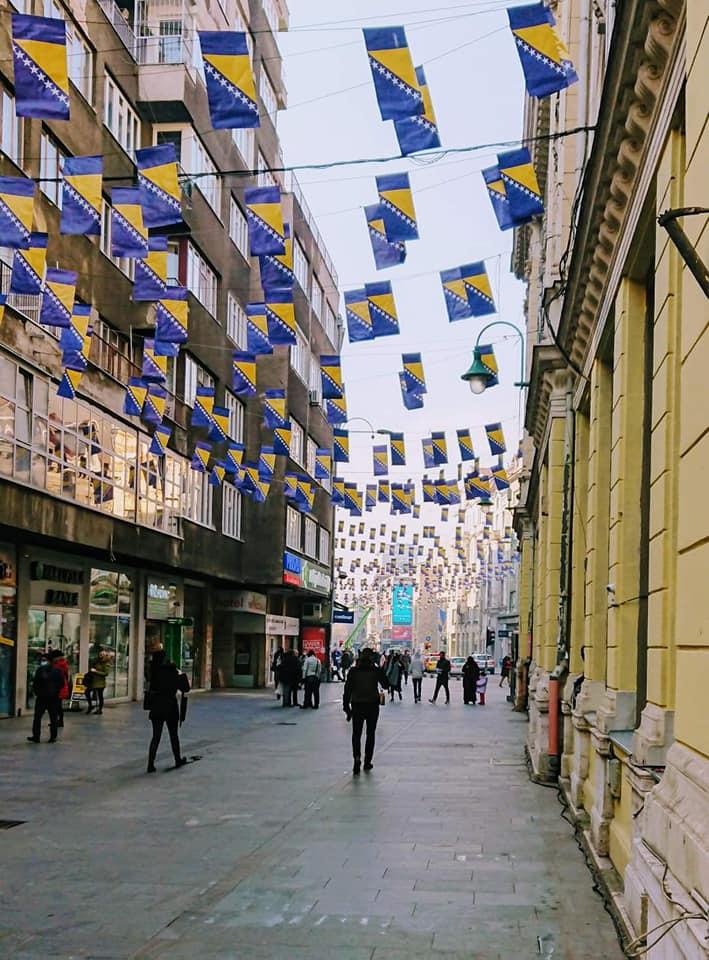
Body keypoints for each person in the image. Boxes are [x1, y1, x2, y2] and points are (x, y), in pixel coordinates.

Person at [343, 648, 389, 775]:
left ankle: (356, 758)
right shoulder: (375, 670)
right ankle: (367, 761)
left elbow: (347, 690)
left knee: (356, 734)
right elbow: (385, 685)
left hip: (357, 704)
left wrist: (346, 707)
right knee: (370, 733)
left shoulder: (353, 671)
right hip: (372, 705)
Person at [146, 649, 190, 772]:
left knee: (156, 737)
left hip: (157, 706)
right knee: (173, 735)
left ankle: (150, 764)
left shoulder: (153, 673)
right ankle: (177, 759)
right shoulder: (172, 671)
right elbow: (185, 688)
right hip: (170, 706)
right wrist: (180, 674)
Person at [28, 651, 64, 743]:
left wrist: (38, 692)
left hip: (42, 697)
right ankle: (53, 736)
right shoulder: (58, 671)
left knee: (37, 717)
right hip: (53, 698)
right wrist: (55, 692)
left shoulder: (40, 670)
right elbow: (61, 684)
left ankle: (36, 736)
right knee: (53, 717)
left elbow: (36, 683)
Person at [88, 649, 109, 714]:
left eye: (102, 654)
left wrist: (96, 672)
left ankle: (100, 709)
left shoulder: (105, 663)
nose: (100, 655)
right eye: (100, 654)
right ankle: (91, 706)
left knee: (100, 696)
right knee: (88, 692)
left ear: (105, 655)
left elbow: (106, 673)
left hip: (100, 682)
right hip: (94, 681)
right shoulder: (96, 661)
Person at [53, 649, 70, 727]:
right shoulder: (63, 663)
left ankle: (59, 721)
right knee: (57, 705)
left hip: (59, 687)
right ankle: (58, 720)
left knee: (57, 705)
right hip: (62, 686)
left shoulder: (59, 665)